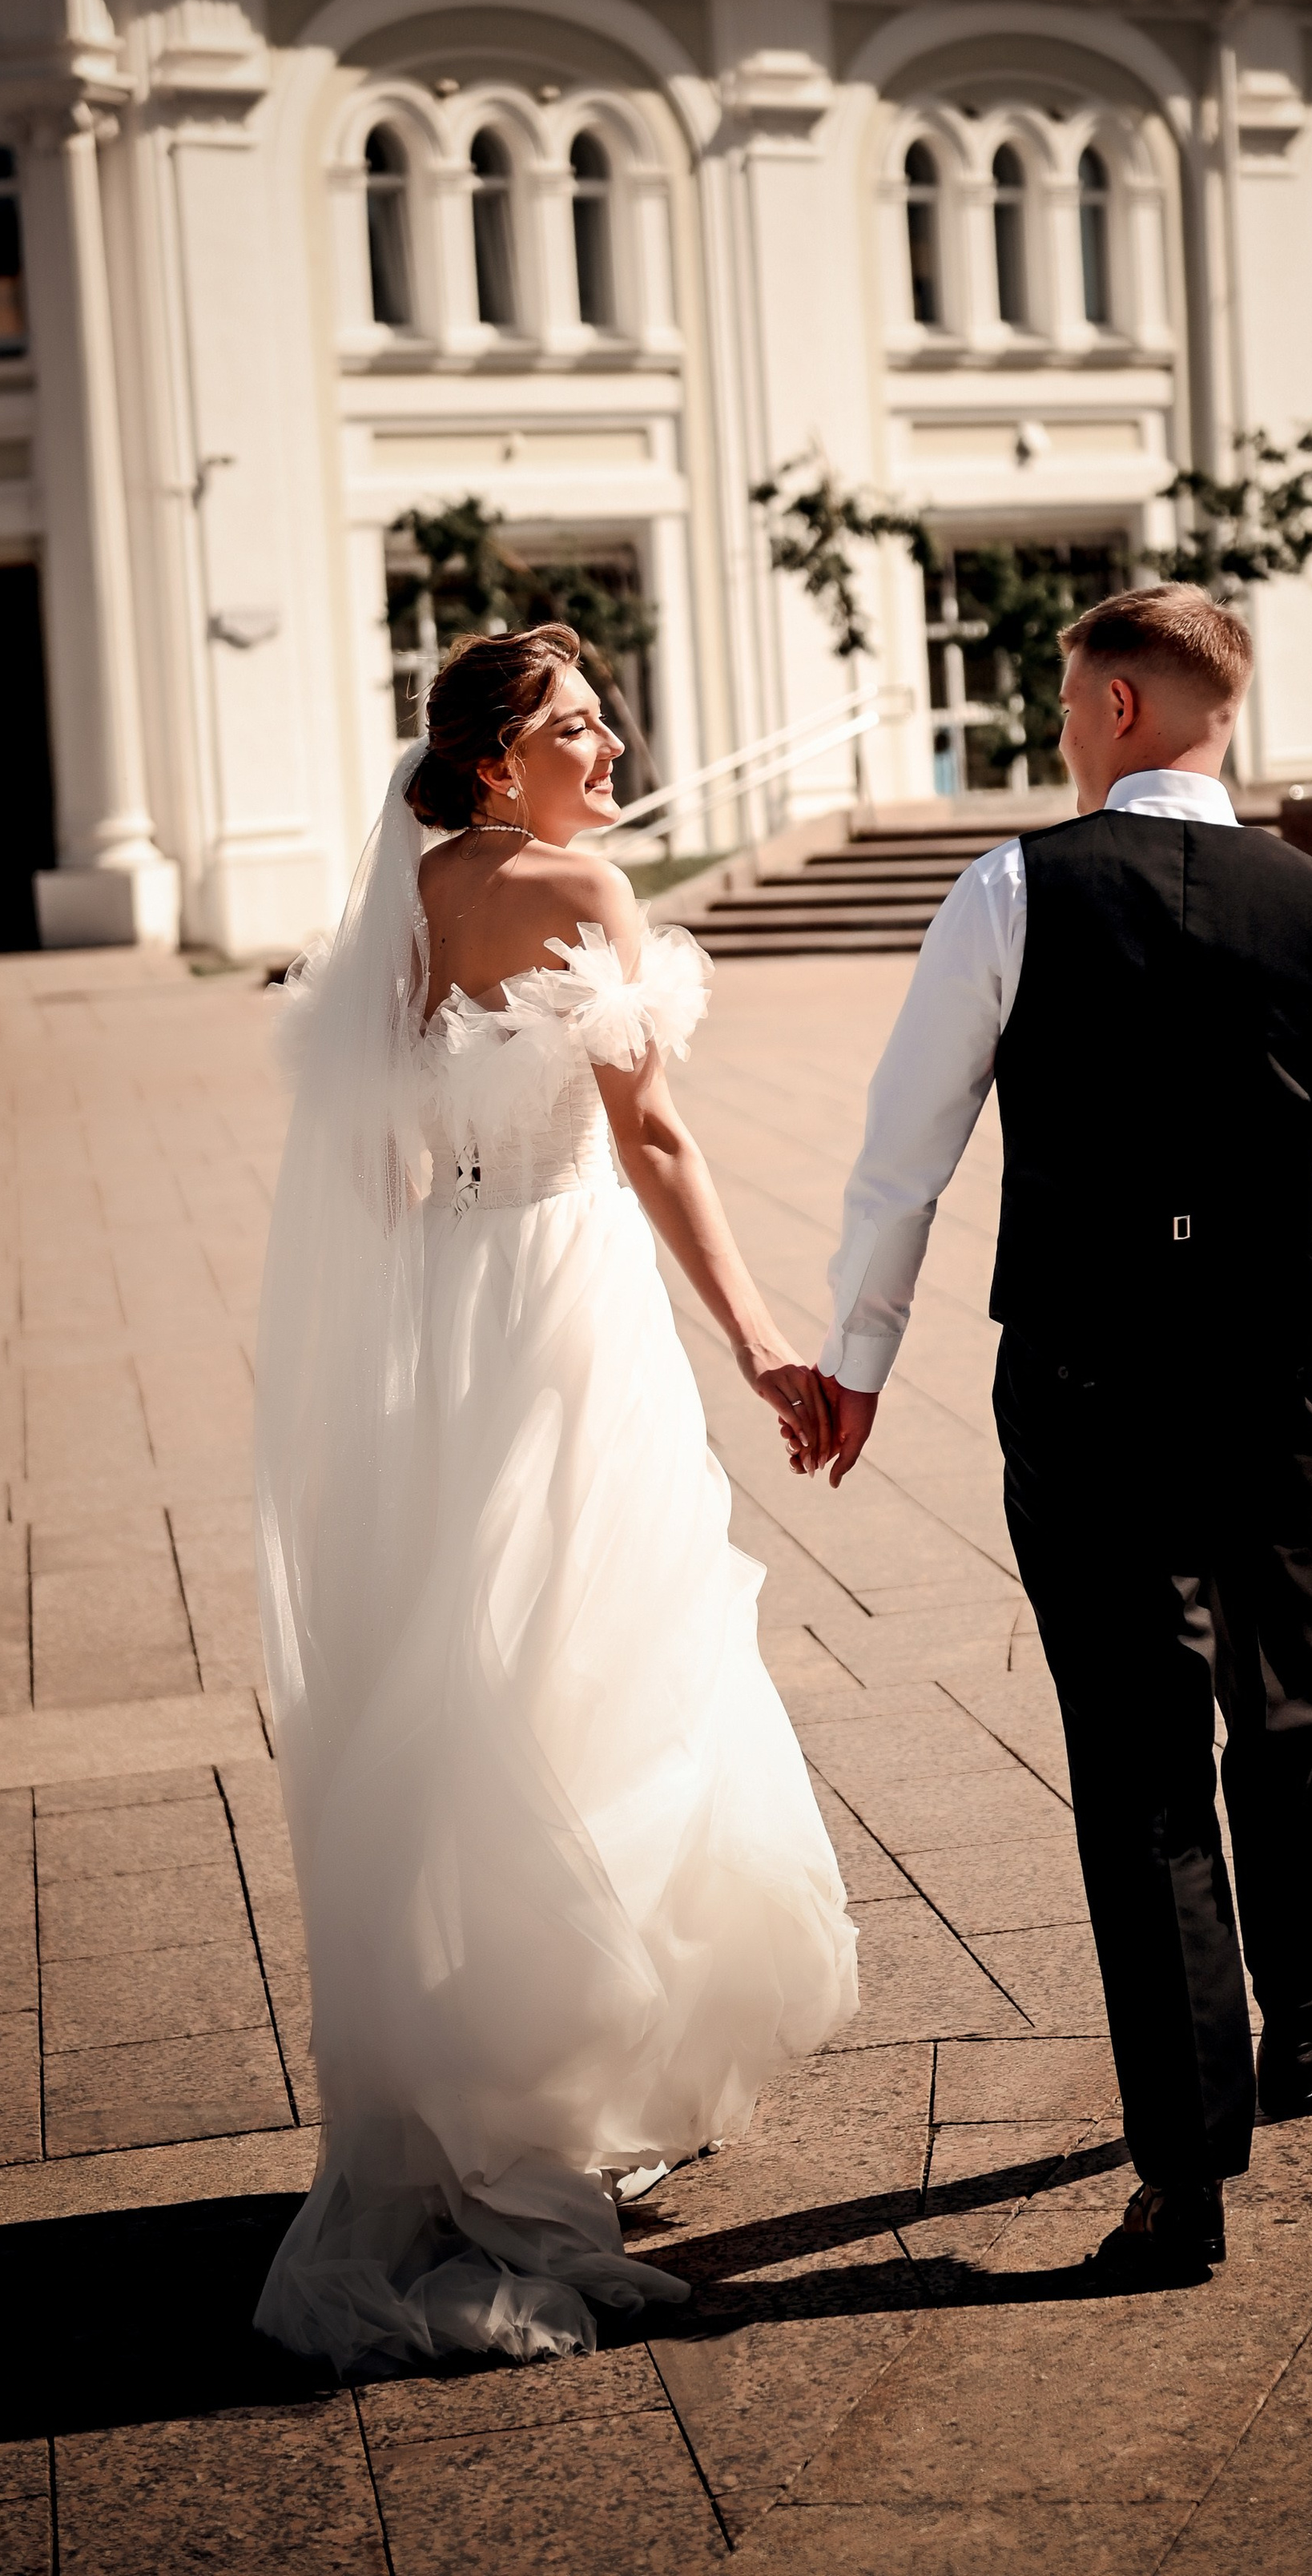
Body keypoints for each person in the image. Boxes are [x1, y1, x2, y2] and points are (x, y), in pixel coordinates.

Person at [815, 585, 1312, 2284]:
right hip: (1269, 1365)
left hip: (1089, 1373)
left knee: (1136, 1762)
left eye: (1057, 700)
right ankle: (1311, 1998)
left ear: (1112, 705)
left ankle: (1182, 2178)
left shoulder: (1009, 888)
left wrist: (854, 1358)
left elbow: (908, 1147)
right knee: (1283, 1691)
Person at [252, 623, 857, 2371]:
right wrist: (758, 1340)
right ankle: (550, 2089)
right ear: (494, 760)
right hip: (559, 1310)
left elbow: (371, 1150)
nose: (607, 747)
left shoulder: (410, 891)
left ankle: (490, 2077)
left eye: (604, 721)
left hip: (440, 1322)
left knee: (466, 1682)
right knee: (593, 1664)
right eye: (571, 728)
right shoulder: (578, 888)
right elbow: (650, 1134)